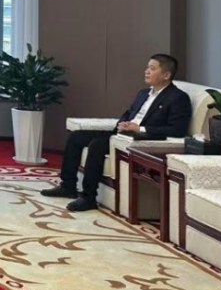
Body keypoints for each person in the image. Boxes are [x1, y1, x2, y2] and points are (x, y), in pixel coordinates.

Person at [42, 54, 193, 212]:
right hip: (123, 134)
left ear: (166, 75)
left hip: (141, 139)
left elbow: (178, 129)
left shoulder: (178, 98)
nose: (146, 71)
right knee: (76, 137)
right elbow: (128, 113)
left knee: (97, 145)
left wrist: (140, 129)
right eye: (147, 67)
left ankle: (88, 198)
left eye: (152, 68)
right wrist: (123, 123)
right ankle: (68, 186)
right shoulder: (143, 93)